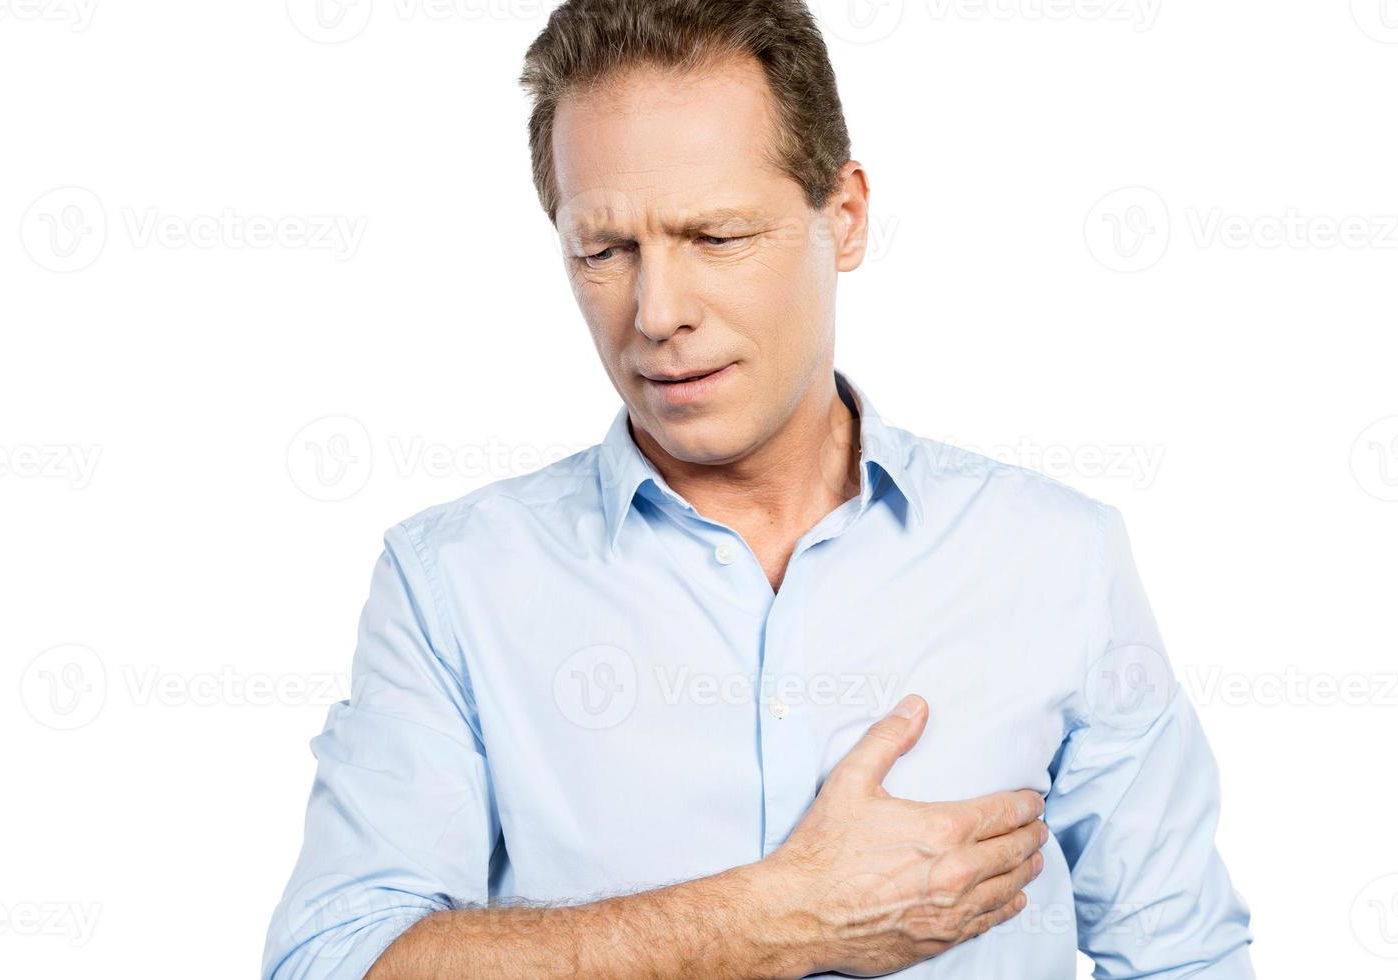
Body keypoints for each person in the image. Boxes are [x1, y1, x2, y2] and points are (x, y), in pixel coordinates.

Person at [262, 2, 1254, 977]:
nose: (655, 312)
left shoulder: (1053, 558)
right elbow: (334, 960)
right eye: (604, 250)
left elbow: (1185, 956)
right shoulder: (452, 584)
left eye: (716, 236)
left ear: (845, 215)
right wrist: (775, 917)